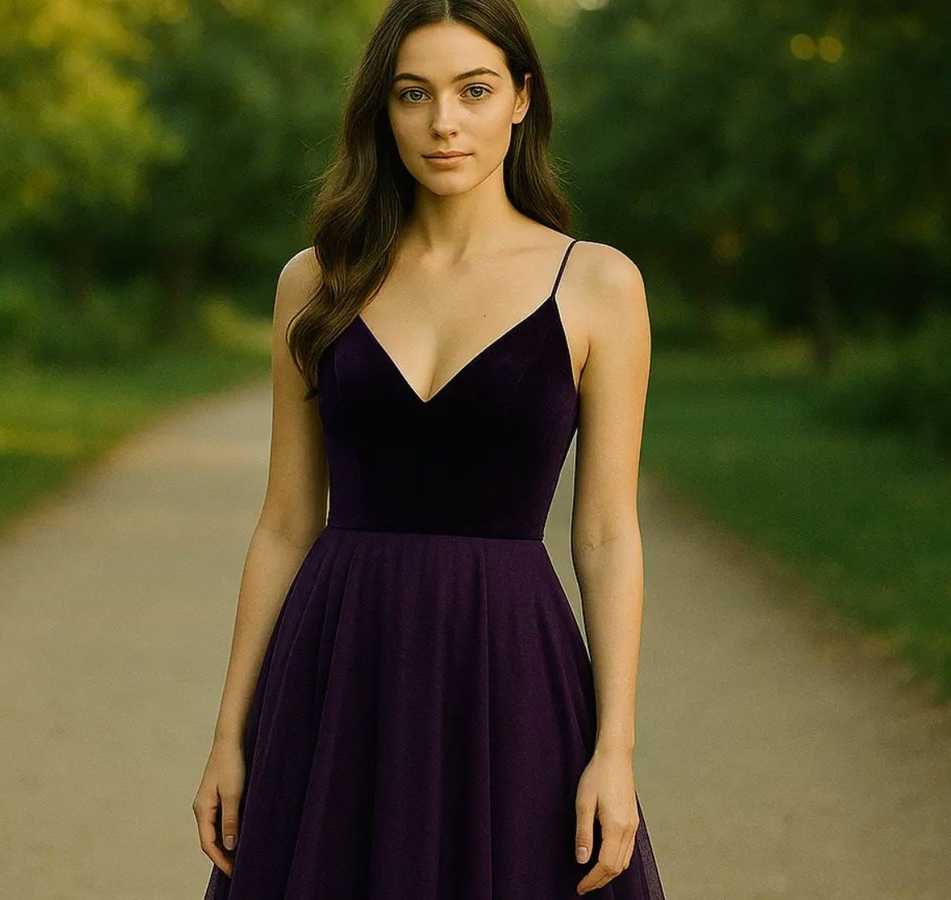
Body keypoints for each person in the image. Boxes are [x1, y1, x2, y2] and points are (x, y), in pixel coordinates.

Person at [193, 0, 664, 896]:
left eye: (473, 90)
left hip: (509, 672)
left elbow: (606, 536)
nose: (443, 121)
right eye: (414, 94)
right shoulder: (316, 278)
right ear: (384, 109)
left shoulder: (599, 283)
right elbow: (288, 520)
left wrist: (614, 749)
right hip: (338, 672)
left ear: (521, 100)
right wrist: (229, 734)